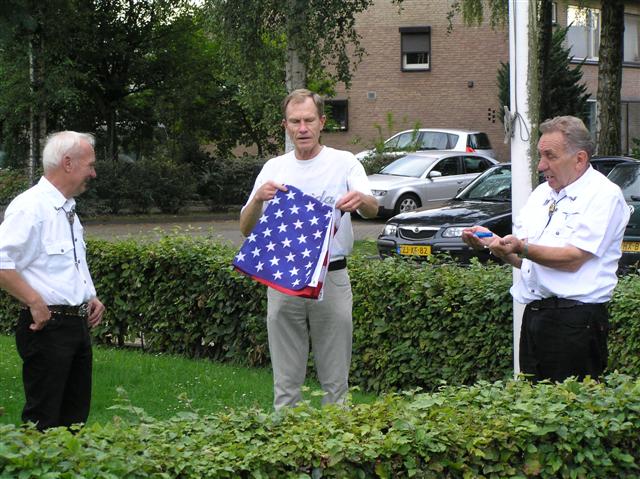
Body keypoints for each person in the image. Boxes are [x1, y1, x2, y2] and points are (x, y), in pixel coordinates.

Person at [462, 115, 630, 383]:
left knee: (571, 404)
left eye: (550, 156)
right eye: (540, 156)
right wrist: (494, 245)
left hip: (577, 322)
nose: (541, 165)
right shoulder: (541, 194)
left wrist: (521, 248)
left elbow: (573, 259)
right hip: (535, 316)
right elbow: (526, 260)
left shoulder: (603, 195)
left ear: (580, 159)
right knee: (531, 402)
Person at [240, 89, 378, 409]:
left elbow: (372, 209)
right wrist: (258, 198)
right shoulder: (274, 168)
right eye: (295, 121)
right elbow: (246, 228)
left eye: (309, 120)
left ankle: (336, 440)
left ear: (322, 122)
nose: (302, 128)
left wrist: (361, 200)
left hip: (332, 278)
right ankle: (286, 439)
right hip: (283, 281)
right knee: (285, 387)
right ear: (285, 126)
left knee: (336, 387)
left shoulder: (344, 162)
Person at [0, 131, 105, 430]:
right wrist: (34, 301)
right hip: (47, 328)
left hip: (76, 327)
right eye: (90, 165)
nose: (93, 173)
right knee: (43, 421)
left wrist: (89, 296)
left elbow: (67, 264)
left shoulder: (68, 209)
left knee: (75, 421)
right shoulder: (30, 207)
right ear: (68, 163)